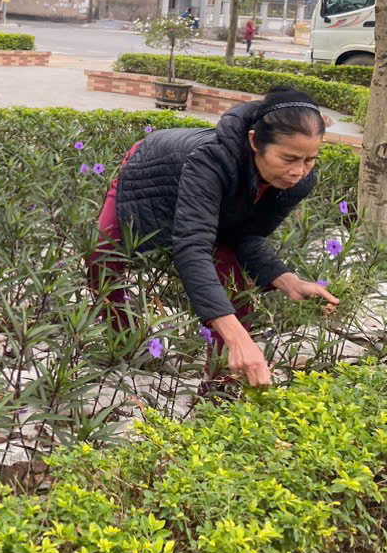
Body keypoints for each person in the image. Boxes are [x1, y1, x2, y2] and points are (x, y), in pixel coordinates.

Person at [89, 87, 338, 386]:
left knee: (235, 289)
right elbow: (192, 246)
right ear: (254, 141)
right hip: (150, 176)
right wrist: (236, 337)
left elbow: (244, 236)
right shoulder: (210, 161)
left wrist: (287, 280)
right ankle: (124, 343)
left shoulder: (297, 182)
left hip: (208, 198)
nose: (299, 171)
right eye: (289, 158)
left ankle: (220, 389)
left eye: (309, 160)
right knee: (101, 255)